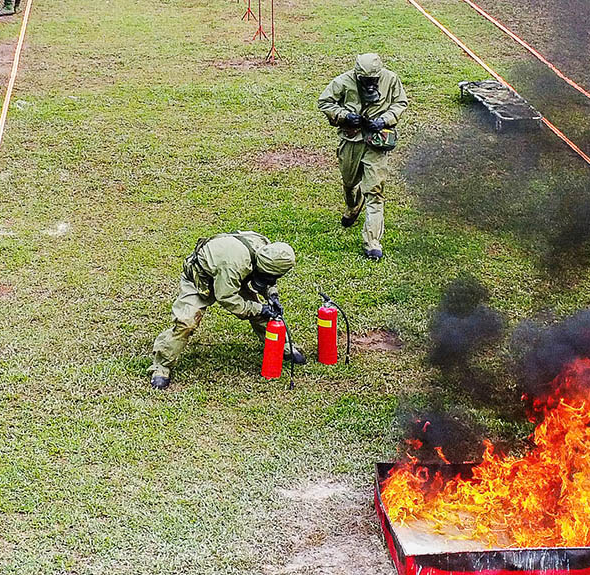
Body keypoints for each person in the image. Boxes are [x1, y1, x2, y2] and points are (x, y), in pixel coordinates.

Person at [148, 231, 305, 389]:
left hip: (236, 276)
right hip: (201, 279)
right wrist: (259, 308)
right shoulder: (234, 265)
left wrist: (272, 296)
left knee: (267, 315)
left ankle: (281, 346)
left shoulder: (267, 250)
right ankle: (161, 366)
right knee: (186, 323)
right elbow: (227, 298)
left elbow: (269, 277)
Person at [318, 53, 408, 260]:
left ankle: (372, 241)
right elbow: (324, 102)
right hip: (351, 141)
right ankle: (353, 207)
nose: (370, 85)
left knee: (375, 192)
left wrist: (384, 120)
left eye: (373, 81)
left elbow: (400, 103)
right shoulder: (342, 81)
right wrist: (344, 116)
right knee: (349, 183)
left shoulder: (391, 79)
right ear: (357, 76)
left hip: (377, 143)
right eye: (365, 81)